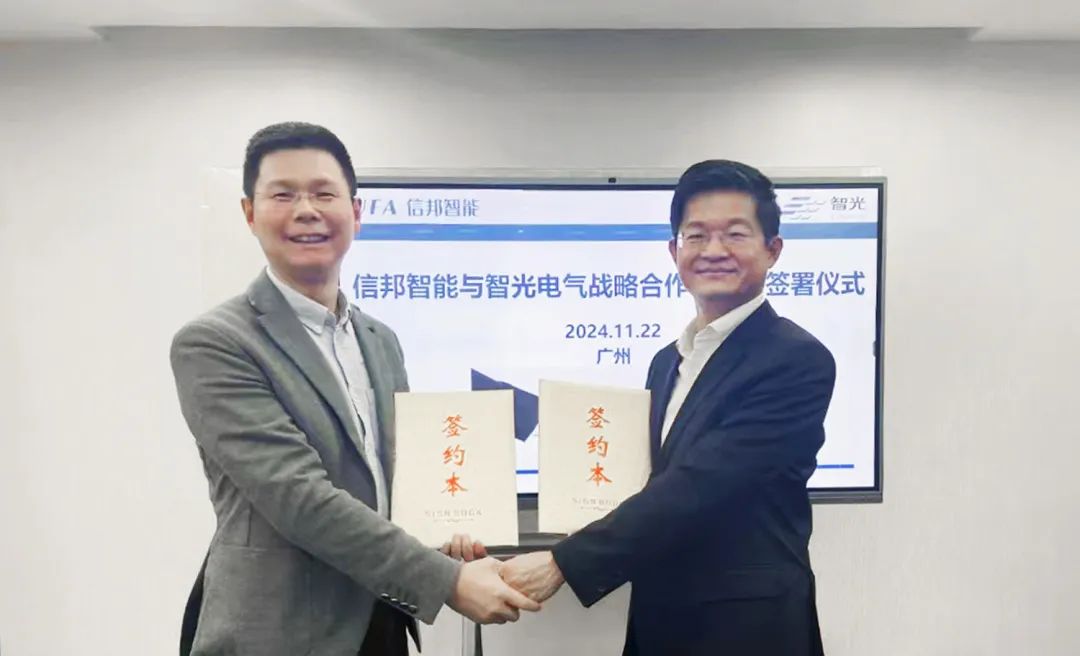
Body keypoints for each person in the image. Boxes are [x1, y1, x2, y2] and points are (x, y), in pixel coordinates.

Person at [171, 122, 538, 656]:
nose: (306, 210)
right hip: (278, 631)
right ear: (249, 213)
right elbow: (298, 496)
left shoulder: (379, 340)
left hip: (381, 617)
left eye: (324, 193)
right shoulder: (216, 343)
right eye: (283, 195)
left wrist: (447, 525)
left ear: (356, 212)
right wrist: (448, 581)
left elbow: (396, 482)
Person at [500, 160, 836, 655]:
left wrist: (562, 563)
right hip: (661, 619)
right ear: (674, 250)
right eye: (696, 235)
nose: (713, 250)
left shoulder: (795, 359)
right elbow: (649, 480)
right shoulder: (667, 362)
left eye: (735, 234)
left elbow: (702, 485)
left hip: (747, 629)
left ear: (773, 250)